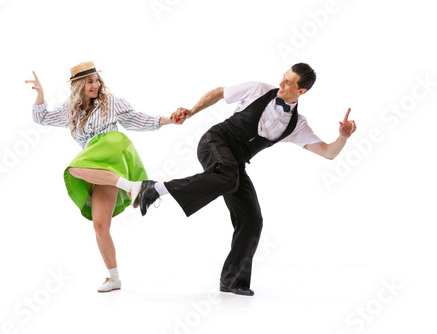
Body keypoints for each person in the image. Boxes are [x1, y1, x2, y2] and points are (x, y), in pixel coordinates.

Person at [137, 63, 356, 296]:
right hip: (215, 141)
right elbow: (219, 92)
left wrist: (342, 137)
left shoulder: (297, 125)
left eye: (289, 82)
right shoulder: (259, 89)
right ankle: (155, 189)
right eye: (283, 78)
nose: (281, 84)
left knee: (252, 219)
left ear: (301, 92)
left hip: (235, 164)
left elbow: (328, 152)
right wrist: (191, 111)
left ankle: (233, 281)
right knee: (228, 176)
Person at [26, 61, 178, 293]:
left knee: (74, 169)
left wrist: (168, 119)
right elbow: (41, 118)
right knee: (99, 226)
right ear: (79, 85)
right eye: (90, 81)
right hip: (98, 166)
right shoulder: (71, 111)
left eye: (97, 80)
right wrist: (41, 94)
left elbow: (139, 119)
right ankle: (114, 278)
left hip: (114, 149)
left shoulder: (112, 103)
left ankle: (131, 186)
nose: (96, 85)